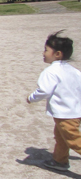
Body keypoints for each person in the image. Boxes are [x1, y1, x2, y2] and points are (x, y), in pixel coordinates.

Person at [27, 31, 81, 171]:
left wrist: (31, 98)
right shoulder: (74, 71)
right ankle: (60, 161)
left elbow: (44, 91)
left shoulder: (51, 72)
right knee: (61, 138)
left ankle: (60, 161)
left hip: (65, 114)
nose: (43, 53)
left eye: (46, 50)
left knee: (74, 141)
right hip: (74, 111)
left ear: (57, 54)